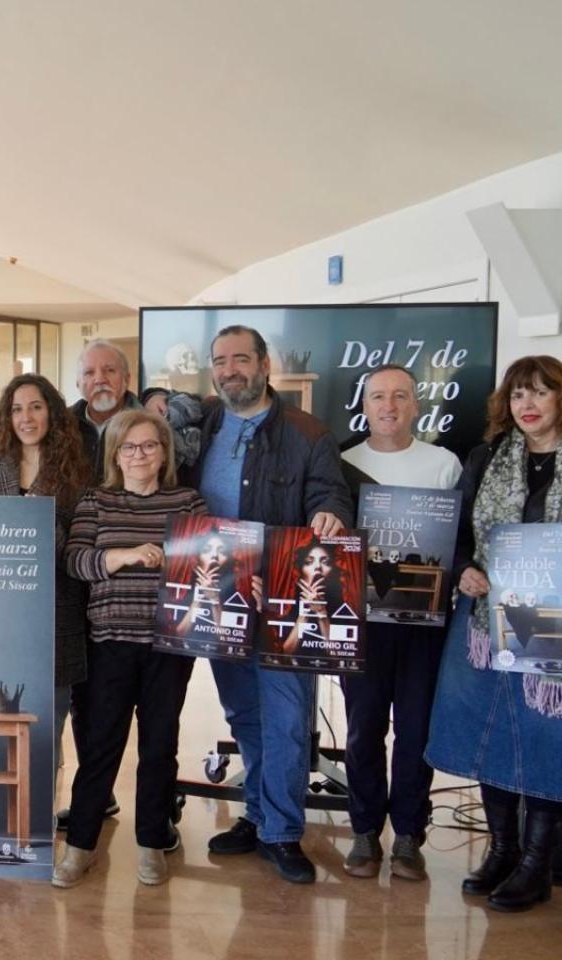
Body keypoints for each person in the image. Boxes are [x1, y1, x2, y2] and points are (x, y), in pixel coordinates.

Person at [426, 355, 562, 913]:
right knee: (490, 730)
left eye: (539, 393)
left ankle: (537, 865)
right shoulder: (487, 458)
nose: (527, 405)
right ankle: (502, 851)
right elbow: (458, 532)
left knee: (545, 736)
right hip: (486, 618)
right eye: (517, 396)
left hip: (556, 624)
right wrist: (463, 566)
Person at [186, 324, 353, 885]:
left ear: (264, 365)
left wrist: (330, 513)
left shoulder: (308, 434)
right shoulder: (204, 423)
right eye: (220, 360)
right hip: (219, 592)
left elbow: (330, 491)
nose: (230, 369)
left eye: (240, 359)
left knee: (285, 717)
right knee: (245, 714)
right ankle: (258, 817)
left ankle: (283, 833)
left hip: (279, 592)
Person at [52, 408, 205, 889]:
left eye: (150, 446)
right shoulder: (95, 501)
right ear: (115, 454)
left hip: (169, 645)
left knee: (160, 746)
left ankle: (151, 843)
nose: (139, 455)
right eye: (129, 447)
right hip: (110, 644)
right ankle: (80, 846)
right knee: (100, 747)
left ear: (165, 453)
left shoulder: (188, 502)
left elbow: (209, 565)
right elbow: (76, 560)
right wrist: (123, 557)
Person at [336, 363, 463, 882]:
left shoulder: (445, 464)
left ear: (416, 405)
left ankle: (409, 835)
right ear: (364, 406)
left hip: (424, 623)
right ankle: (365, 832)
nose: (389, 406)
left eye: (401, 396)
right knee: (364, 728)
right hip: (362, 619)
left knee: (416, 730)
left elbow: (461, 540)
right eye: (378, 397)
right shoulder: (341, 462)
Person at [0, 374, 93, 824]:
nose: (26, 417)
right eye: (16, 409)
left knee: (46, 722)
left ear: (52, 412)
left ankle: (35, 819)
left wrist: (41, 530)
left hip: (56, 614)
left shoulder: (76, 470)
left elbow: (85, 543)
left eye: (35, 407)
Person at [72, 338, 203, 469]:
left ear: (126, 379)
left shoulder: (152, 419)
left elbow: (195, 405)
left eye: (110, 370)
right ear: (78, 383)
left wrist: (156, 395)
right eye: (89, 372)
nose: (100, 379)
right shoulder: (63, 423)